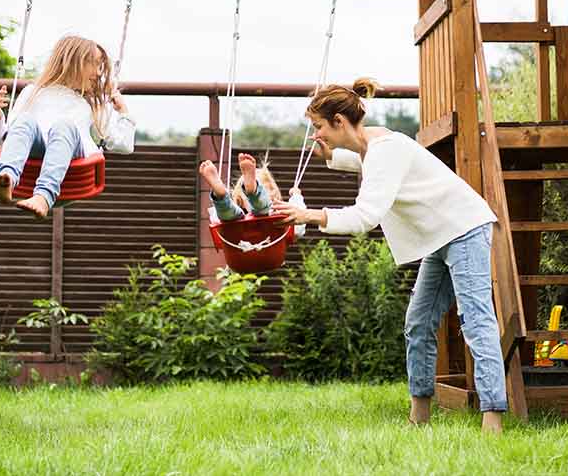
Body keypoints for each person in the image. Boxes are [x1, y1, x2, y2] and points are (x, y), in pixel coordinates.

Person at [272, 78, 506, 434]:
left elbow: (366, 216)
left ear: (339, 120)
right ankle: (419, 419)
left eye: (318, 127)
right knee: (418, 323)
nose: (315, 134)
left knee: (476, 320)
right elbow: (357, 158)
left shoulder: (385, 150)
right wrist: (329, 155)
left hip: (464, 228)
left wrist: (311, 215)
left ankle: (493, 420)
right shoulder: (371, 143)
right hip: (438, 238)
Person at [0, 35, 136, 218]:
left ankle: (43, 197)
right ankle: (7, 178)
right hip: (35, 154)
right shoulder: (32, 92)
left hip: (73, 163)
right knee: (25, 120)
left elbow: (125, 145)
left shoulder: (92, 104)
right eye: (94, 64)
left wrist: (123, 113)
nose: (98, 73)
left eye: (101, 67)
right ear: (73, 62)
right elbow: (6, 140)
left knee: (64, 126)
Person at [199, 152, 306, 238]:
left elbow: (217, 225)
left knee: (227, 216)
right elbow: (298, 227)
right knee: (261, 211)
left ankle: (221, 198)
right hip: (271, 252)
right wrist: (297, 198)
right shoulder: (281, 222)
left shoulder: (278, 218)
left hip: (237, 245)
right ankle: (254, 193)